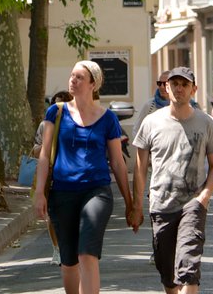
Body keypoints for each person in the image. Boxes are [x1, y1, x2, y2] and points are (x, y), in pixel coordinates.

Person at [34, 61, 134, 294]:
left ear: (93, 84)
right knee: (69, 260)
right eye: (72, 76)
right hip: (62, 193)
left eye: (79, 77)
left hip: (96, 192)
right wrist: (39, 193)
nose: (73, 80)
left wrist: (130, 203)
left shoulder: (108, 119)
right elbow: (44, 155)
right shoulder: (56, 112)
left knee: (86, 252)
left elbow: (118, 163)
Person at [131, 67, 213, 294]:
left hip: (193, 204)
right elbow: (140, 168)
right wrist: (136, 205)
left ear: (194, 89)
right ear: (166, 88)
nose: (178, 88)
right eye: (174, 84)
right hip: (161, 204)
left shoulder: (206, 123)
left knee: (189, 269)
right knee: (168, 276)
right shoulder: (151, 123)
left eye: (184, 84)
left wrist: (203, 197)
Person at [32, 90, 74, 266]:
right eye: (54, 106)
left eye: (61, 107)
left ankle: (71, 247)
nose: (57, 111)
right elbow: (35, 150)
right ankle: (57, 249)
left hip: (71, 177)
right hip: (50, 175)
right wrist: (45, 148)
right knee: (52, 215)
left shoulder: (76, 126)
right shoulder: (44, 125)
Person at [133, 70, 172, 139]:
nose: (162, 87)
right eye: (159, 83)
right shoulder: (149, 105)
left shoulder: (182, 106)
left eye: (165, 84)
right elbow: (137, 130)